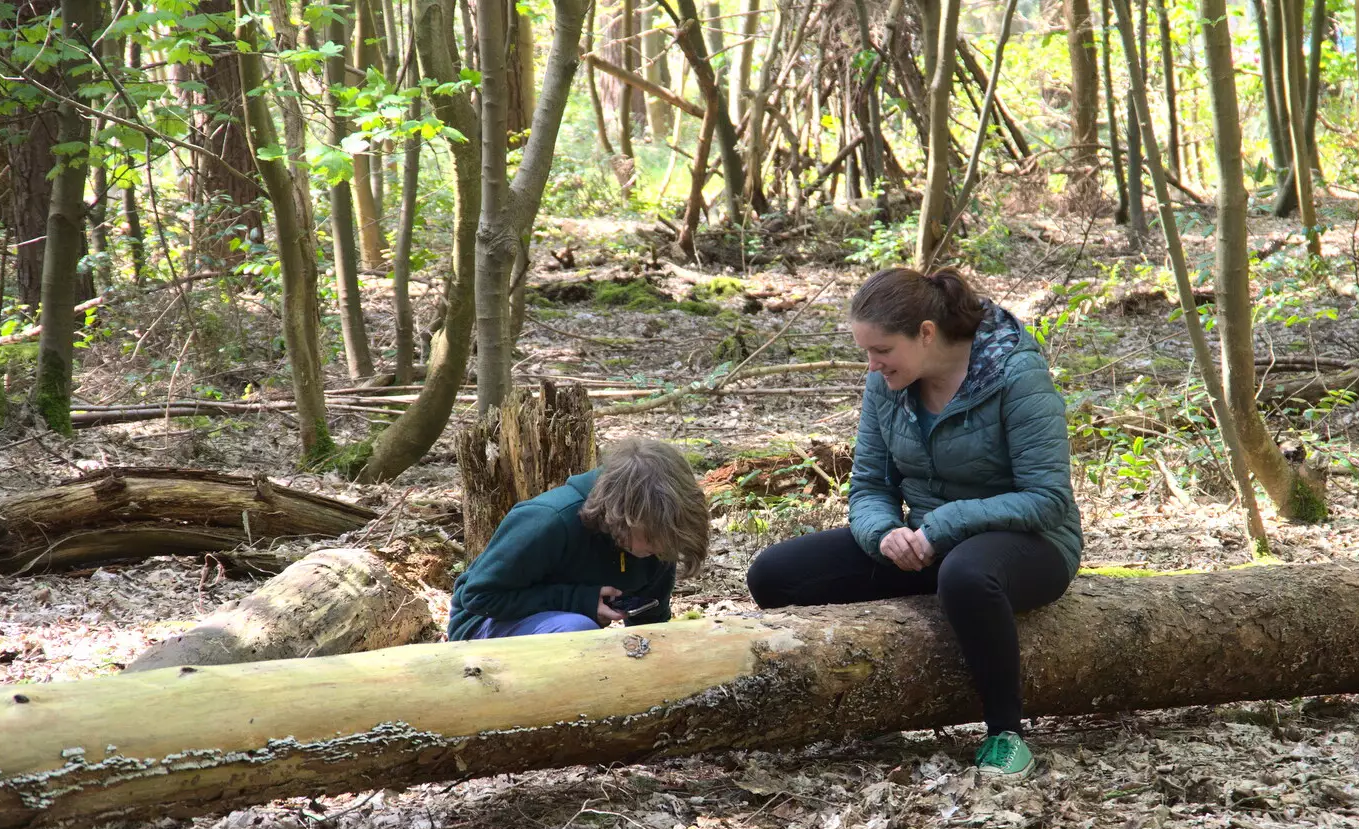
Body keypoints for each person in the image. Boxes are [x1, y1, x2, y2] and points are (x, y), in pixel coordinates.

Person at [746, 267, 1082, 781]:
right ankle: (866, 710)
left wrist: (942, 526)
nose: (872, 364)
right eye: (865, 352)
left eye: (881, 350)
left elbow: (1048, 498)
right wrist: (885, 534)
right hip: (928, 543)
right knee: (774, 574)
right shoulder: (887, 386)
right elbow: (869, 487)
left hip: (1029, 545)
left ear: (926, 333)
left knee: (967, 576)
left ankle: (1005, 734)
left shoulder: (1016, 375)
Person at [447, 438, 709, 642]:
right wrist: (577, 600)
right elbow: (479, 597)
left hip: (559, 630)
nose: (660, 549)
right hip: (483, 625)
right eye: (651, 538)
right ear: (622, 515)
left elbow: (651, 624)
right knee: (577, 631)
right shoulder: (548, 520)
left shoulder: (661, 534)